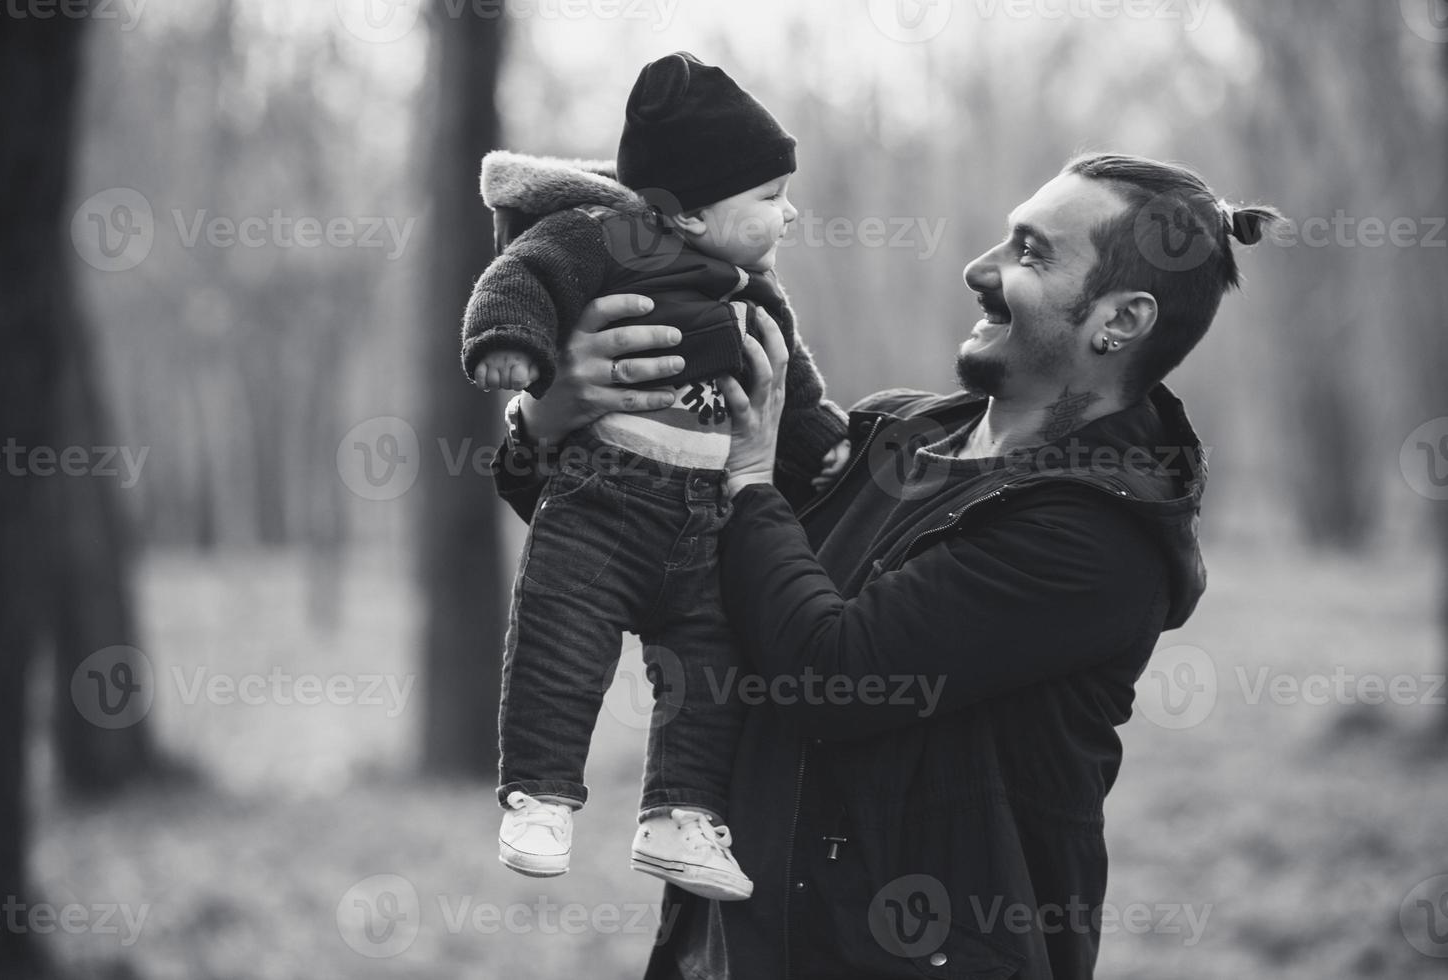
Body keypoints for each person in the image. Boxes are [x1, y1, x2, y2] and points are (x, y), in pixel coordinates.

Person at [492, 153, 1278, 978]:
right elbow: (657, 547)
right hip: (733, 949)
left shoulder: (1094, 538)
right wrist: (550, 418)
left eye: (1032, 253)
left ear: (1118, 320)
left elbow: (831, 673)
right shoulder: (888, 434)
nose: (982, 269)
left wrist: (754, 474)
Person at [462, 51, 848, 901]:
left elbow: (790, 375)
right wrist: (512, 346)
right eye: (770, 198)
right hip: (600, 499)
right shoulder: (603, 238)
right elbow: (523, 275)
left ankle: (682, 819)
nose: (789, 214)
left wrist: (816, 435)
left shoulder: (754, 287)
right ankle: (541, 795)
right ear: (694, 210)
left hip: (707, 516)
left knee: (711, 670)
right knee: (562, 647)